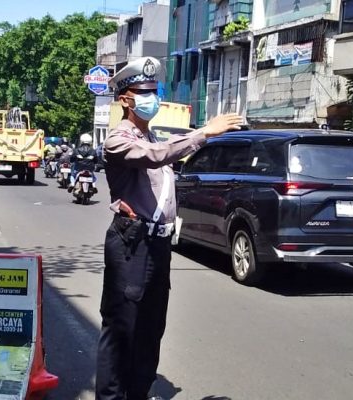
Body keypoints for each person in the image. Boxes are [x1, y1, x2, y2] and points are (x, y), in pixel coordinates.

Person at [96, 56, 243, 400]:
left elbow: (163, 159)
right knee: (122, 328)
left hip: (158, 245)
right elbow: (153, 156)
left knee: (150, 327)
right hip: (131, 243)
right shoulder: (119, 139)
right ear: (125, 99)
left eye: (154, 91)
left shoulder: (153, 137)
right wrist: (203, 133)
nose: (152, 98)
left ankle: (138, 392)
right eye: (143, 92)